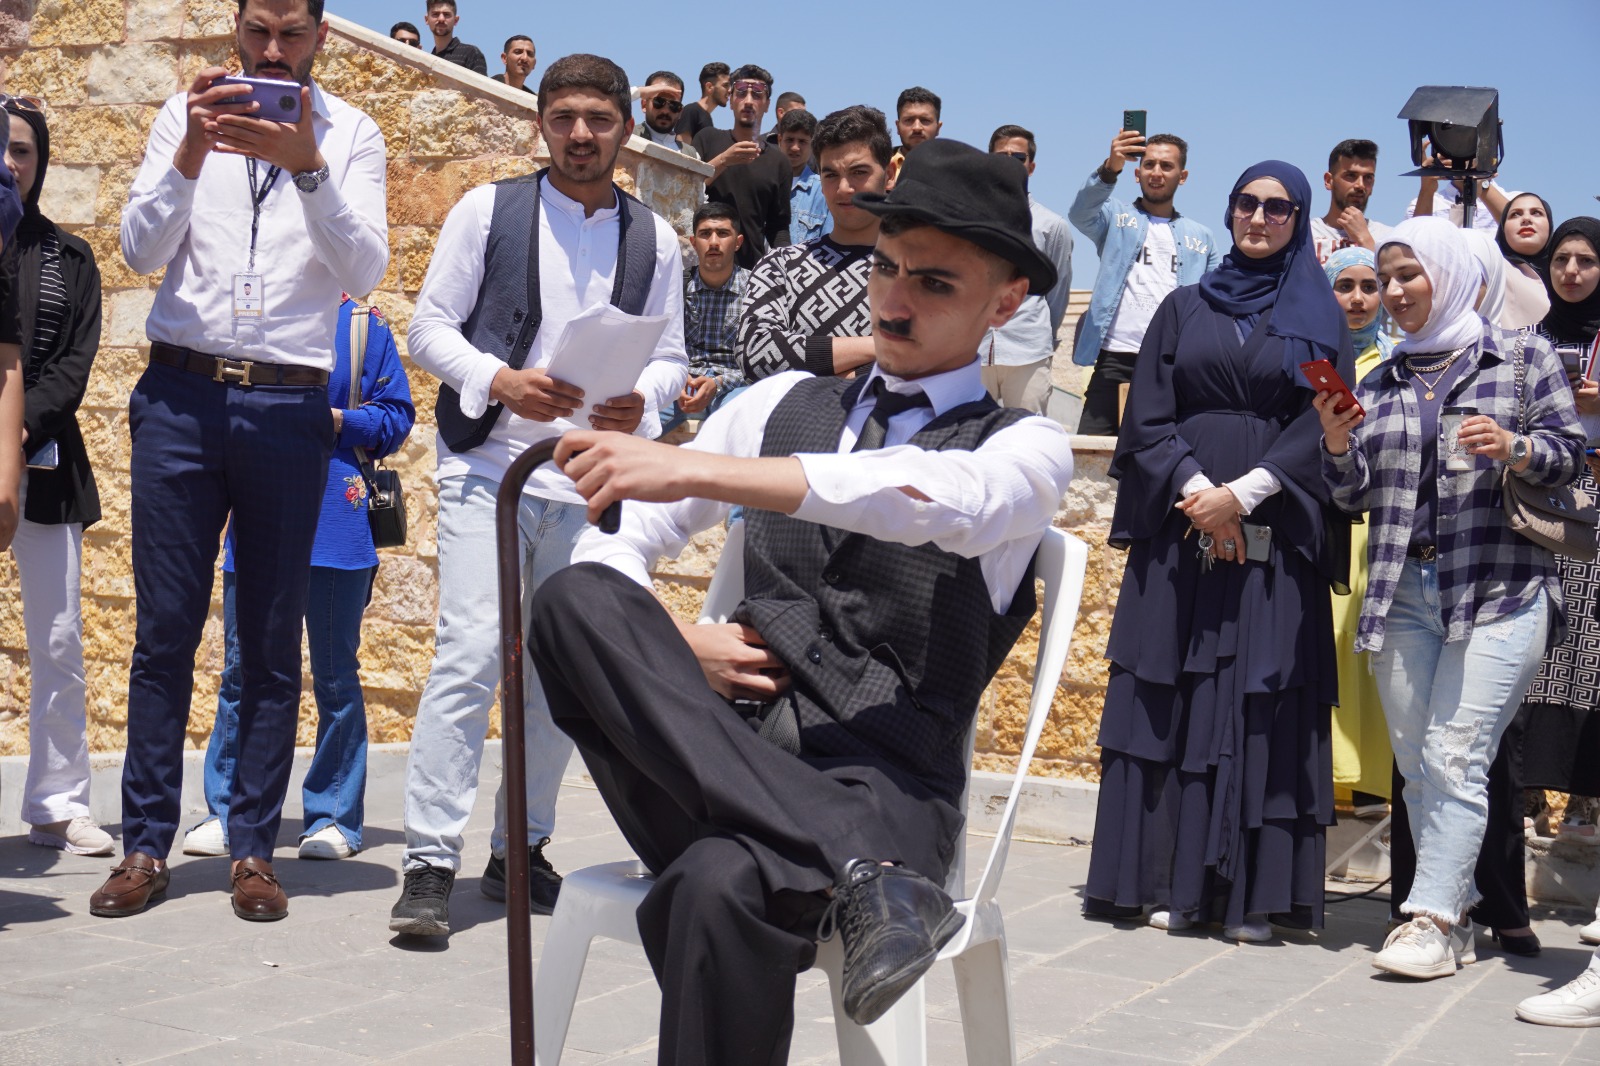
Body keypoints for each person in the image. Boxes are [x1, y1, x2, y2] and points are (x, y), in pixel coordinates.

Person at [526, 136, 1072, 1066]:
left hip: (885, 782)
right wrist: (669, 636)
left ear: (1006, 302)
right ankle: (858, 866)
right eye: (887, 270)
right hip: (716, 752)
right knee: (571, 598)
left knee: (714, 882)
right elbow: (609, 541)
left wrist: (697, 465)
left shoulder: (1022, 452)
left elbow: (930, 498)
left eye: (934, 284)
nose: (895, 300)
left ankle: (854, 854)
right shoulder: (780, 402)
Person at [92, 0, 389, 923]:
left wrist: (306, 170)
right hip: (181, 396)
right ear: (236, 32)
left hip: (289, 400)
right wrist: (189, 153)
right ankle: (145, 843)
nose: (271, 51)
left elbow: (365, 269)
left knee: (268, 637)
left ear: (320, 38)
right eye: (257, 32)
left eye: (290, 35)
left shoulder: (352, 134)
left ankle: (255, 847)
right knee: (164, 631)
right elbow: (139, 251)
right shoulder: (182, 119)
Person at [390, 53, 688, 938]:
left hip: (589, 476)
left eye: (597, 118)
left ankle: (520, 847)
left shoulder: (657, 239)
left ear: (625, 129)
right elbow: (426, 327)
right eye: (563, 118)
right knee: (473, 649)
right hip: (489, 467)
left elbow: (670, 355)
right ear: (541, 124)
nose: (581, 135)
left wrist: (656, 398)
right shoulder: (489, 209)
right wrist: (498, 380)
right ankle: (428, 863)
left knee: (563, 674)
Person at [1085, 161, 1352, 943]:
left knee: (1254, 696)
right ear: (1228, 209)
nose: (1259, 218)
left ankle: (1245, 895)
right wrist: (1203, 492)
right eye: (1247, 203)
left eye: (1278, 208)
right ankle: (1157, 881)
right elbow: (1149, 417)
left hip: (1273, 528)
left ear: (1300, 221)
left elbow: (1323, 418)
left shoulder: (1318, 316)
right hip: (1182, 523)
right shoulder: (1180, 306)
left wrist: (1248, 493)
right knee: (1165, 694)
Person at [1319, 216, 1582, 979]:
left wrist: (1517, 447)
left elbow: (1571, 459)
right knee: (1419, 764)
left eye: (1409, 275)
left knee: (1456, 754)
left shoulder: (1522, 357)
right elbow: (1355, 494)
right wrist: (1337, 442)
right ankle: (1455, 916)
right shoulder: (1382, 377)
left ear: (1453, 273)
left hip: (1501, 587)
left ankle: (1429, 920)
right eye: (1387, 278)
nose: (1395, 292)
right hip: (1405, 591)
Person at [183, 295, 415, 861]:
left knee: (336, 675)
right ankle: (227, 810)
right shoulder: (252, 309)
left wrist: (339, 421)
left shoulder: (362, 324)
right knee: (240, 671)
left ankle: (334, 816)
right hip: (256, 515)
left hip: (338, 522)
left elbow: (398, 415)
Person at [4, 98, 112, 858]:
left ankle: (58, 801)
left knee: (60, 639)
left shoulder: (71, 259)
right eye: (1, 150)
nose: (11, 164)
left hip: (43, 462)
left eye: (23, 152)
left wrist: (13, 429)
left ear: (41, 164)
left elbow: (73, 364)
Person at [1517, 218, 1600, 849]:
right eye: (1561, 260)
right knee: (1539, 639)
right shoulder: (1527, 338)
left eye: (1586, 261)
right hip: (1543, 499)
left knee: (1589, 650)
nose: (1570, 271)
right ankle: (1524, 790)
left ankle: (1584, 803)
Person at [1070, 127, 1222, 436]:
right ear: (1136, 172)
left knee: (1162, 457)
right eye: (1149, 164)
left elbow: (1214, 301)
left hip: (1171, 365)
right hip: (1114, 357)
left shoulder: (1201, 237)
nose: (1156, 172)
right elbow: (1080, 214)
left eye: (1167, 166)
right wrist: (1111, 167)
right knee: (1092, 453)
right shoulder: (1115, 217)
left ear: (1183, 175)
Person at [738, 105, 887, 383]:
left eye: (859, 172)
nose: (844, 188)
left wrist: (819, 367)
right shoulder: (780, 265)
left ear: (888, 172)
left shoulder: (917, 271)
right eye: (830, 174)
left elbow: (935, 359)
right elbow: (755, 354)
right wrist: (879, 346)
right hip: (792, 426)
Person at [1322, 248, 1394, 814]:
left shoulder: (1396, 361)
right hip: (1321, 517)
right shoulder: (1312, 356)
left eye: (1370, 286)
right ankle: (1325, 772)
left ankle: (1365, 778)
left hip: (1376, 526)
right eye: (1344, 285)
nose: (1358, 298)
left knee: (1363, 648)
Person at [982, 123, 1073, 413]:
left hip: (1028, 351)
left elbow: (1056, 292)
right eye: (1001, 156)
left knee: (1024, 441)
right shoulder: (967, 221)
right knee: (965, 444)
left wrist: (1044, 334)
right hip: (973, 351)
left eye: (1018, 157)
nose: (1009, 163)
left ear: (1031, 166)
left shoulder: (1052, 226)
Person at [659, 202, 749, 435]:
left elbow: (758, 360)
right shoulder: (677, 286)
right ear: (693, 242)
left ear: (738, 242)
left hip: (733, 386)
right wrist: (675, 378)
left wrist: (718, 383)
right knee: (634, 422)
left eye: (723, 233)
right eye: (705, 234)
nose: (714, 242)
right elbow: (660, 345)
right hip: (681, 383)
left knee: (741, 431)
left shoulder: (756, 291)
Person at [693, 64, 790, 271]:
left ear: (767, 104)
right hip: (700, 269)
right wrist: (724, 161)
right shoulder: (707, 139)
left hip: (751, 272)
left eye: (757, 95)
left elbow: (778, 228)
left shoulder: (779, 162)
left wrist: (788, 269)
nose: (748, 101)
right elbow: (687, 190)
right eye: (741, 93)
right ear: (730, 101)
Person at [1311, 139, 1391, 263]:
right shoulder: (1306, 235)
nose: (1360, 185)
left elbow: (1393, 280)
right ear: (1328, 181)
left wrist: (1365, 239)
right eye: (1351, 176)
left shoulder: (1388, 237)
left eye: (1368, 178)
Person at [1497, 192, 1554, 329]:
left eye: (1536, 213)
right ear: (1503, 228)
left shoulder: (1569, 271)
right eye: (1515, 214)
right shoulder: (1492, 270)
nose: (1526, 219)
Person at [777, 108, 830, 244]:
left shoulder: (824, 191)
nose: (795, 147)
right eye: (790, 140)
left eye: (802, 141)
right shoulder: (762, 185)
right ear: (779, 140)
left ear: (812, 145)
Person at [887, 85, 940, 181]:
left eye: (925, 120)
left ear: (938, 128)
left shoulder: (952, 172)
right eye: (909, 120)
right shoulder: (881, 167)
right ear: (898, 127)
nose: (917, 128)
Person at [424, 0, 486, 76]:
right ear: (426, 19)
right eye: (435, 14)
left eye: (446, 14)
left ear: (456, 20)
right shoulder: (426, 61)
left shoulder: (471, 53)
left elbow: (481, 86)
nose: (441, 19)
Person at [674, 61, 728, 148]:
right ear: (709, 87)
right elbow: (682, 152)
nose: (729, 90)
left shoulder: (707, 118)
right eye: (725, 85)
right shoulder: (691, 111)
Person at [637, 71, 689, 153]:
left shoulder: (692, 154)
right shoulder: (625, 136)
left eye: (674, 105)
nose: (665, 111)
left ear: (680, 112)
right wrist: (638, 92)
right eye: (659, 102)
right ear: (644, 105)